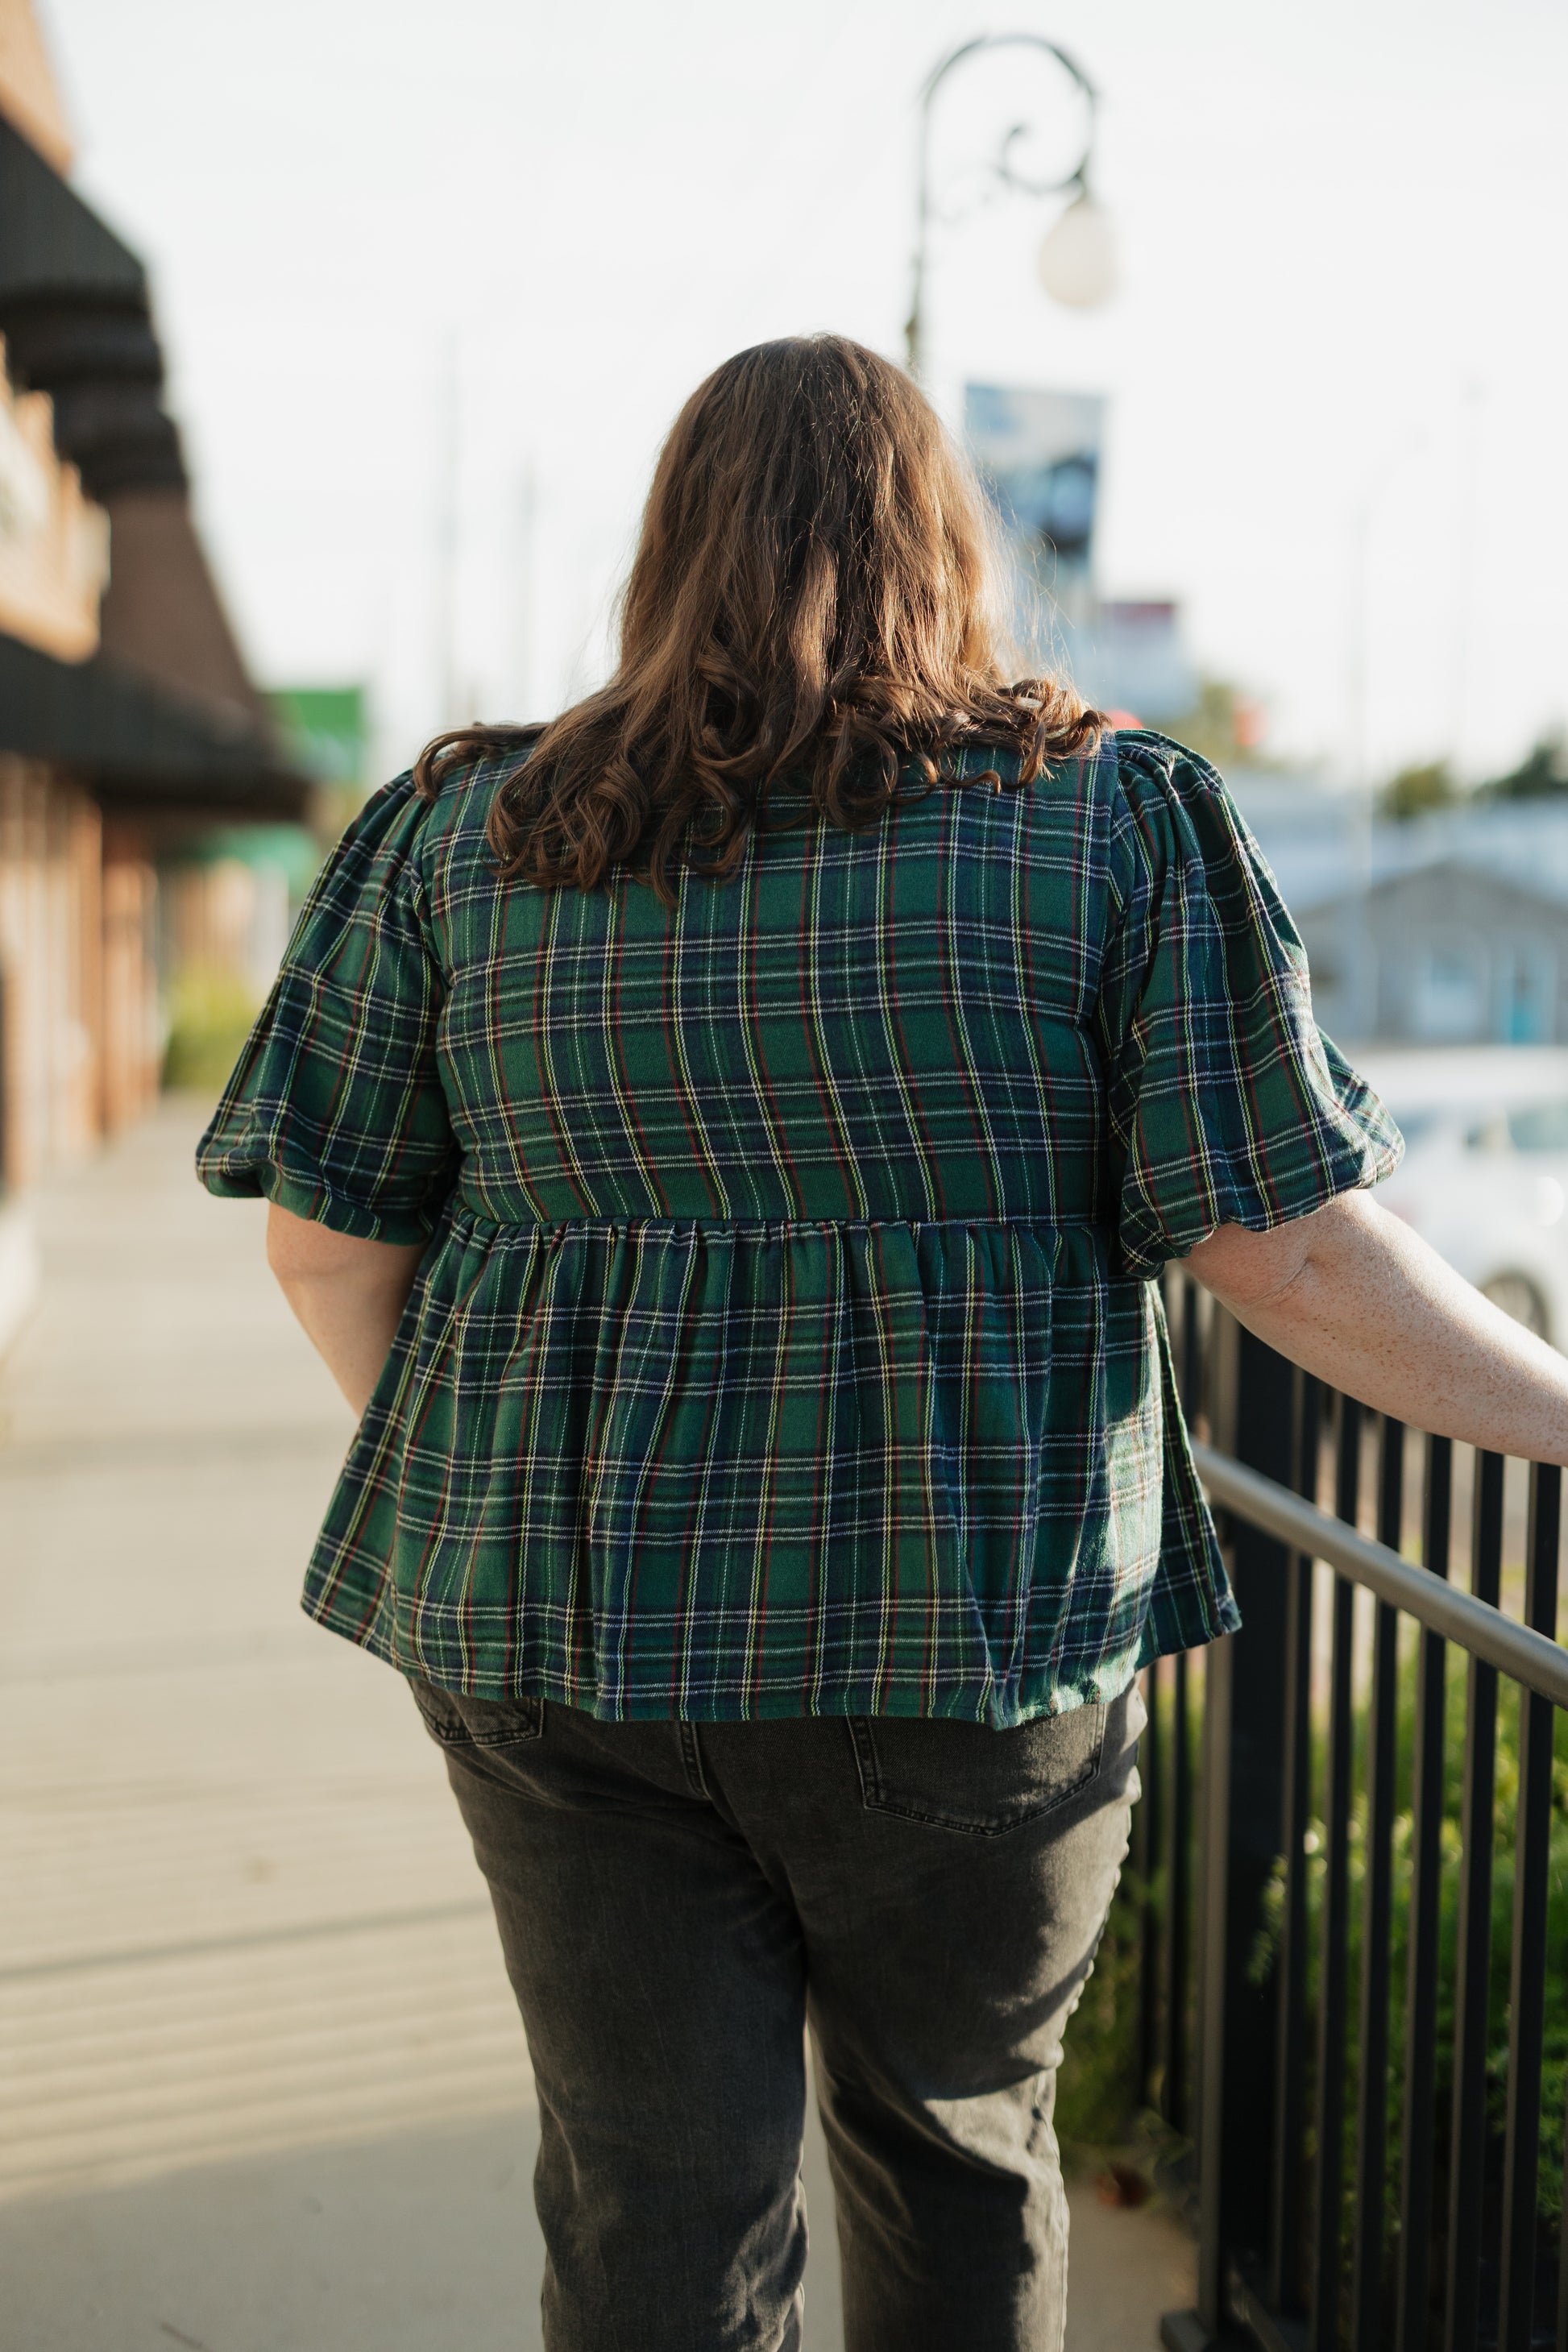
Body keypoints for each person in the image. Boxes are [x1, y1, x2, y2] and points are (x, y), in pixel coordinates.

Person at [197, 334, 1568, 2352]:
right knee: (955, 2152)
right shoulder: (1105, 824)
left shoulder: (459, 835)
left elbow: (326, 1249)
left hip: (552, 1642)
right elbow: (1284, 1252)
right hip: (968, 1635)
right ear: (947, 540)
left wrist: (510, 1492)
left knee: (651, 2189)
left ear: (666, 543)